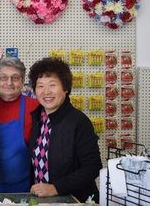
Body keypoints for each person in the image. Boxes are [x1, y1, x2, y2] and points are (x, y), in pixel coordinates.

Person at [28, 57, 102, 202]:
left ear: (65, 88)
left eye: (52, 85)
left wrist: (55, 187)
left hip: (75, 200)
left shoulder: (79, 121)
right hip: (45, 200)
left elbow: (93, 166)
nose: (46, 92)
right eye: (40, 86)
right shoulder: (38, 118)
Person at [0, 57, 39, 192]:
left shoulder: (35, 107)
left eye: (15, 78)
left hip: (27, 187)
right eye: (3, 77)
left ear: (23, 81)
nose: (9, 82)